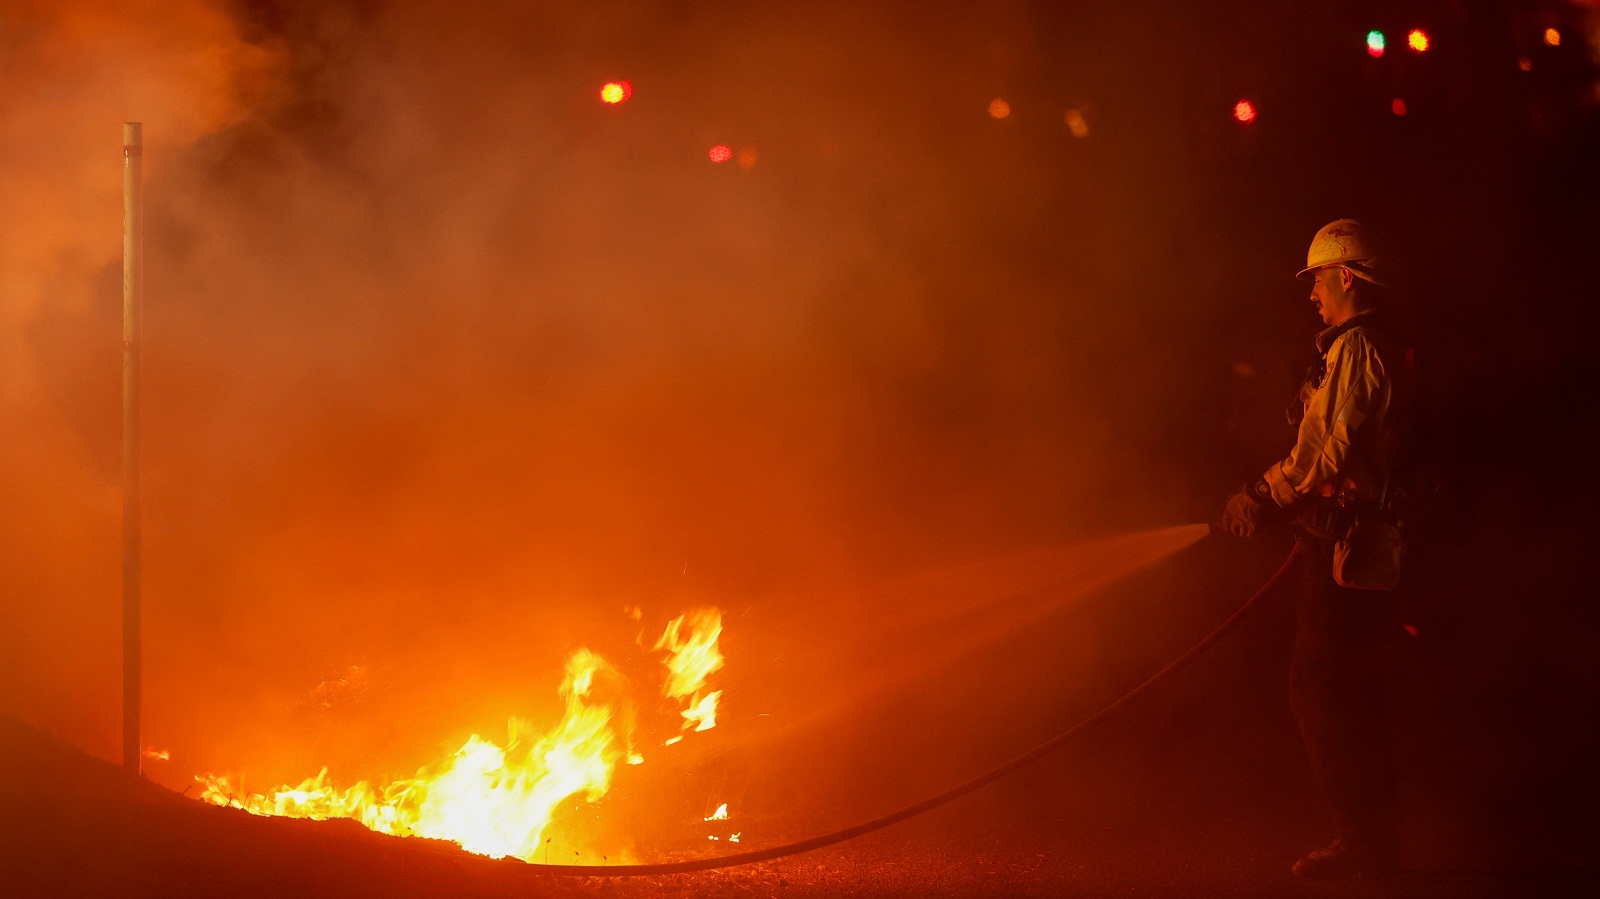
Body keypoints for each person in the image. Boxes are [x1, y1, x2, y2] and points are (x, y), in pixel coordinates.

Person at [1216, 219, 1415, 880]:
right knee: (1345, 691)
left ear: (1346, 276)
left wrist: (1262, 496)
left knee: (1321, 691)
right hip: (1354, 545)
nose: (1312, 295)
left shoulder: (1359, 346)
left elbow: (1322, 453)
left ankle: (1362, 840)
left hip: (1349, 552)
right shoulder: (1370, 345)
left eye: (1318, 280)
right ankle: (1371, 837)